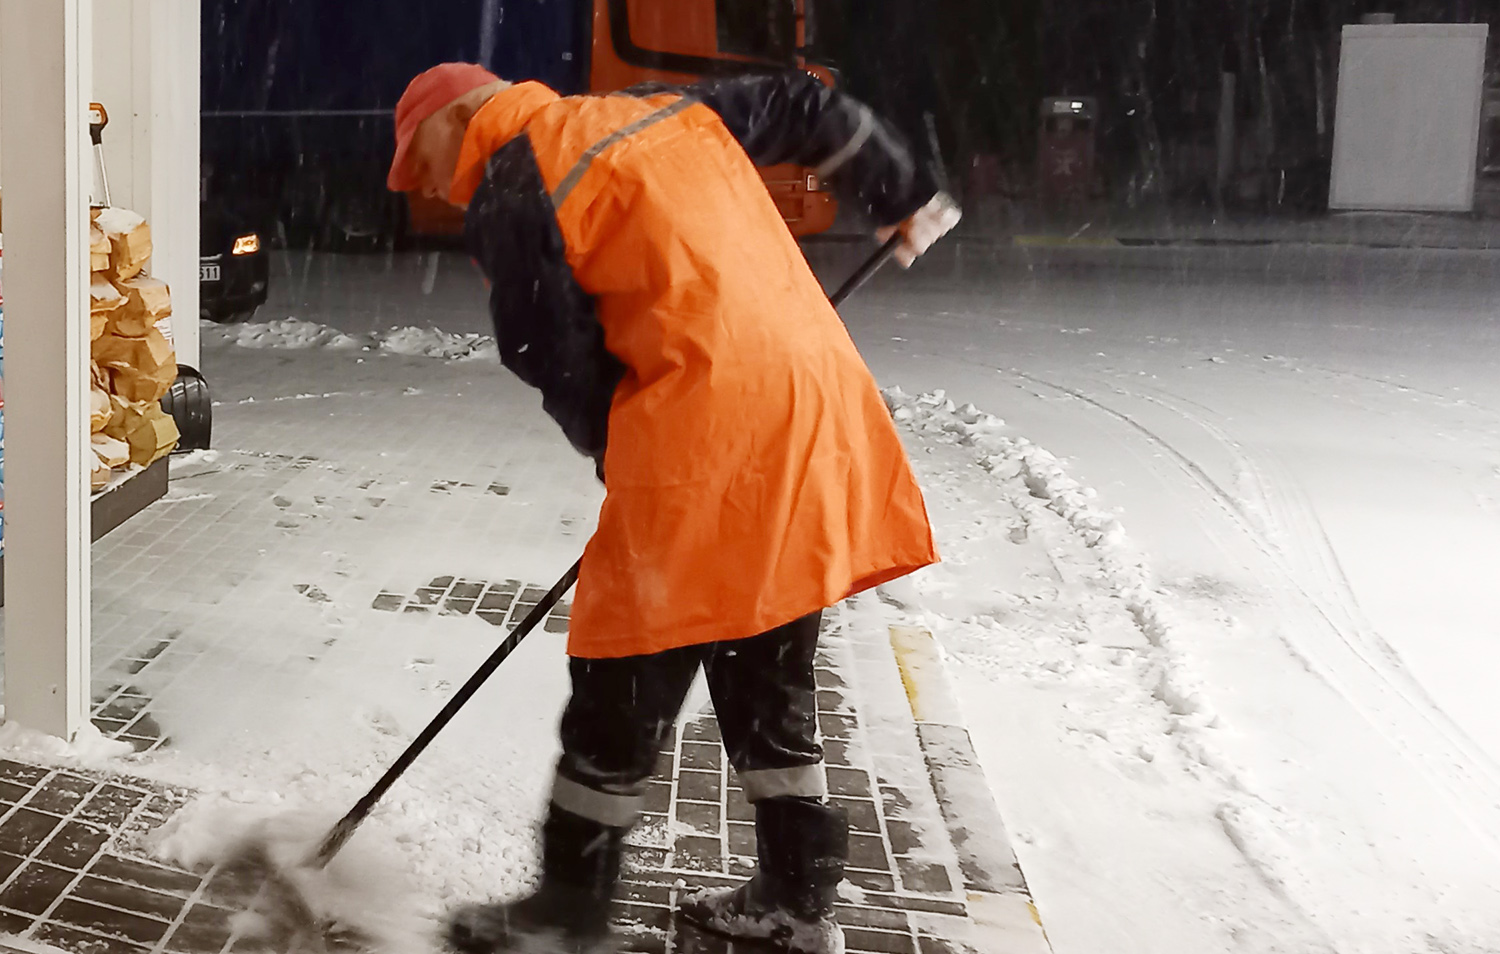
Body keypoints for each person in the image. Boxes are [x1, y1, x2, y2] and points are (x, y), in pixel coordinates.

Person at [386, 61, 960, 954]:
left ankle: (569, 912)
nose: (416, 180)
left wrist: (624, 454)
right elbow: (803, 102)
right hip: (818, 402)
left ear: (461, 113)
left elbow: (550, 349)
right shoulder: (660, 112)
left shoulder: (515, 176)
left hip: (707, 423)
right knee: (759, 648)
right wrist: (902, 188)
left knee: (622, 669)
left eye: (414, 153)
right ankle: (798, 897)